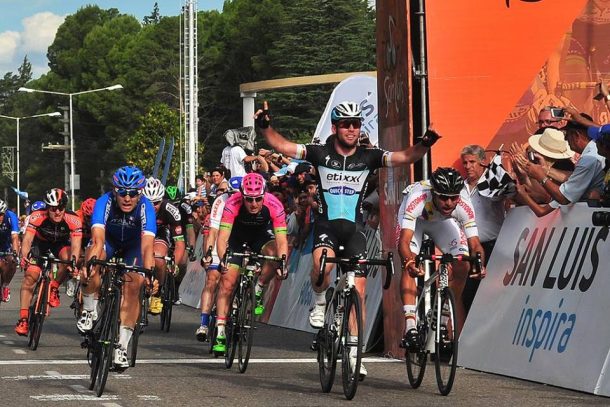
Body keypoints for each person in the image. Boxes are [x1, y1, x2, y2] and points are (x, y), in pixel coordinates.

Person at [255, 100, 439, 378]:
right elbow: (283, 146)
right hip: (327, 226)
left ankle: (354, 353)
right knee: (322, 266)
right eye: (346, 124)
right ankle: (319, 301)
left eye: (356, 124)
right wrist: (265, 127)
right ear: (336, 127)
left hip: (354, 230)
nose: (352, 129)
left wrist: (425, 143)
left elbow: (404, 158)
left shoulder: (369, 156)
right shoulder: (320, 153)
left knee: (360, 291)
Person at [77, 166, 155, 369]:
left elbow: (147, 247)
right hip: (108, 242)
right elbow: (97, 240)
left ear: (140, 193)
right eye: (122, 192)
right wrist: (89, 264)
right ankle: (88, 309)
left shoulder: (146, 207)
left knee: (133, 286)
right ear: (114, 190)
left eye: (132, 193)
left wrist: (149, 273)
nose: (127, 198)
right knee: (94, 260)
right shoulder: (104, 202)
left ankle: (121, 347)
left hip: (133, 247)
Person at [398, 168, 486, 349]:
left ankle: (445, 312)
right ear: (433, 193)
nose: (449, 203)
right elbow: (404, 242)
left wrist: (479, 263)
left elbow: (475, 244)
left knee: (463, 263)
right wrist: (409, 261)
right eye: (443, 197)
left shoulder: (463, 204)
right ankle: (410, 326)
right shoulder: (418, 198)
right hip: (417, 222)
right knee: (410, 263)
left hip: (442, 224)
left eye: (453, 198)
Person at [213, 173, 288, 354]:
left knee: (274, 255)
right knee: (227, 282)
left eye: (258, 199)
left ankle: (260, 287)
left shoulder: (274, 205)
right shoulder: (232, 203)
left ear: (264, 195)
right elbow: (222, 239)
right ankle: (220, 329)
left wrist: (283, 263)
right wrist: (224, 259)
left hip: (261, 235)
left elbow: (282, 241)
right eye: (249, 199)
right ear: (242, 195)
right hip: (237, 236)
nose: (253, 204)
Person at [16, 189, 82, 336]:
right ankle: (23, 318)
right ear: (47, 208)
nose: (57, 212)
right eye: (53, 208)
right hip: (40, 244)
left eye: (61, 208)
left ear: (65, 207)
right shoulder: (37, 216)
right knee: (31, 276)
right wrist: (24, 255)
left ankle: (54, 287)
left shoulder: (74, 219)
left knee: (67, 258)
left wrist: (73, 263)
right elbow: (27, 240)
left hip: (60, 244)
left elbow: (76, 247)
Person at [460, 146, 511, 315]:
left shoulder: (492, 183)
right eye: (465, 162)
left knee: (489, 295)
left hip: (491, 246)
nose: (468, 166)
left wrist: (500, 171)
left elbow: (507, 192)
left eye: (472, 162)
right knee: (466, 297)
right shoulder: (459, 187)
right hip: (466, 248)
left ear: (483, 162)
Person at [519, 122, 605, 216]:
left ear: (575, 135)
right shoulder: (589, 157)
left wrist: (539, 178)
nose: (565, 139)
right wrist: (543, 170)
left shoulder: (588, 159)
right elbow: (572, 178)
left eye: (566, 135)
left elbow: (561, 198)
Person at [195, 176, 242, 341]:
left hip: (239, 239)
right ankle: (204, 323)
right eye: (232, 194)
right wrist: (208, 252)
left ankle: (239, 313)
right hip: (220, 238)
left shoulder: (249, 201)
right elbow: (213, 231)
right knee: (212, 279)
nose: (235, 197)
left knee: (237, 279)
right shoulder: (220, 201)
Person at [141, 177, 186, 315]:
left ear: (162, 199)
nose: (153, 206)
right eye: (149, 202)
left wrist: (175, 264)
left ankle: (157, 292)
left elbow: (179, 242)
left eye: (156, 202)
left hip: (160, 232)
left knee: (159, 259)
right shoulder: (136, 206)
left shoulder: (170, 209)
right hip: (141, 231)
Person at [0, 199, 20, 302]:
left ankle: (5, 285)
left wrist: (15, 254)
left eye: (0, 214)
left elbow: (15, 237)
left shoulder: (11, 216)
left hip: (6, 244)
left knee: (12, 261)